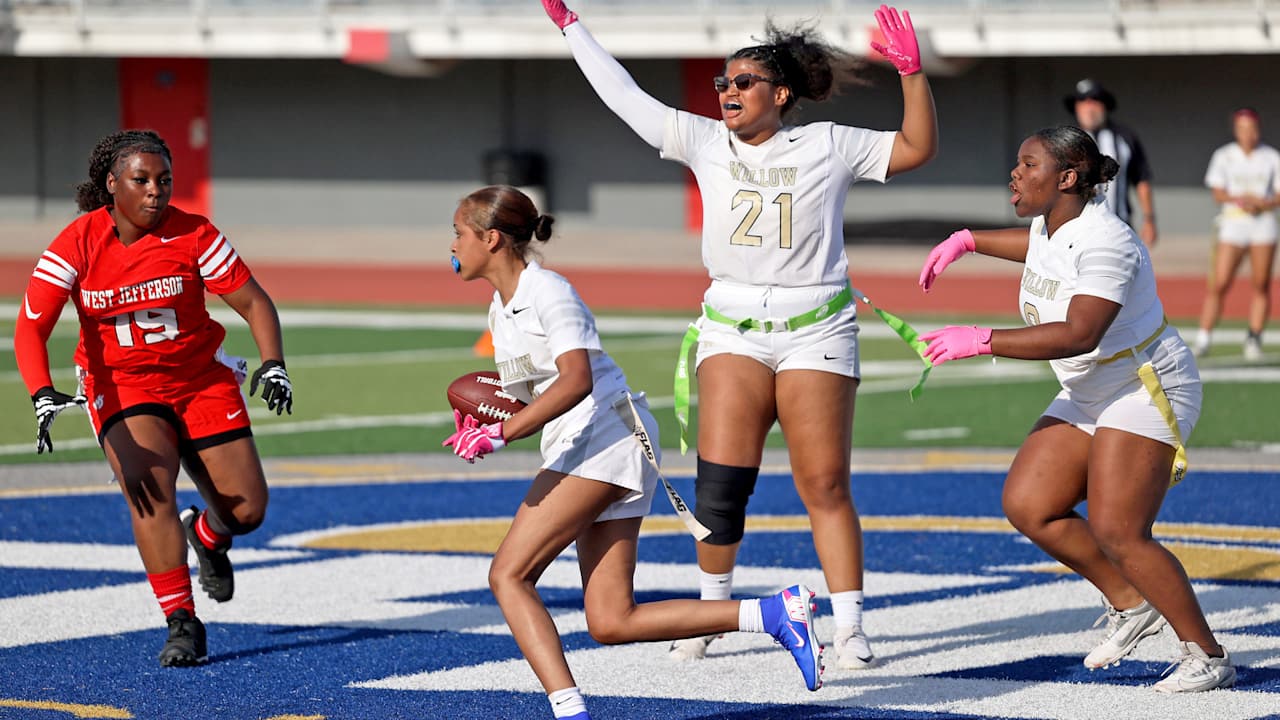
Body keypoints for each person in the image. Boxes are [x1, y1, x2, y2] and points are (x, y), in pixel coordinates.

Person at [538, 0, 937, 669]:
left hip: (816, 327)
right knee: (720, 487)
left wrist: (912, 74)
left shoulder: (829, 143)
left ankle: (849, 626)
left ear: (781, 94)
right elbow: (624, 98)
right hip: (733, 328)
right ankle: (711, 614)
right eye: (723, 82)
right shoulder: (702, 141)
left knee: (825, 484)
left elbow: (917, 147)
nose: (728, 91)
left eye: (743, 82)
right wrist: (572, 28)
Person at [443, 185, 823, 720]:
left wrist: (505, 435)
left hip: (605, 437)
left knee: (508, 575)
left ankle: (569, 710)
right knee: (610, 619)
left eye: (458, 233)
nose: (452, 245)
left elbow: (575, 380)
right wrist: (480, 418)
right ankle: (771, 614)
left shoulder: (548, 290)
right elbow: (522, 394)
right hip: (593, 441)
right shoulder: (499, 311)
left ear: (491, 238)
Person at [916, 125, 1235, 693]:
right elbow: (1035, 248)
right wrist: (967, 240)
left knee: (1120, 530)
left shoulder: (1108, 240)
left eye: (1028, 164)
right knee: (1030, 504)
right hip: (1093, 388)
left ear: (1067, 178)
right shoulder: (1051, 223)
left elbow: (1080, 333)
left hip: (1144, 385)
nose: (1015, 172)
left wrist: (983, 339)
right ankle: (1132, 601)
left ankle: (1206, 654)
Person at [13, 130, 293, 667]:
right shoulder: (77, 242)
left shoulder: (195, 234)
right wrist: (41, 392)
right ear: (111, 183)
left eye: (164, 180)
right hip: (123, 384)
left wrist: (273, 362)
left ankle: (207, 534)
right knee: (148, 487)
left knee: (248, 511)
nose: (155, 192)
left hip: (199, 380)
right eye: (141, 180)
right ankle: (182, 620)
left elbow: (254, 302)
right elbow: (31, 327)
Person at [1194, 107, 1279, 361]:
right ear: (1235, 130)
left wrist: (1262, 203)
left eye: (1252, 128)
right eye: (1242, 128)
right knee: (1219, 283)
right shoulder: (1224, 156)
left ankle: (1254, 337)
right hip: (1233, 225)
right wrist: (1240, 199)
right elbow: (1218, 192)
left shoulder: (1271, 157)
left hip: (1262, 225)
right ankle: (1204, 337)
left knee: (1261, 283)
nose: (1248, 134)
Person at [1065, 78, 1159, 247]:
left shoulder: (1124, 137)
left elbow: (1141, 179)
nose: (1089, 107)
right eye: (1083, 101)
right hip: (1076, 226)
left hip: (1119, 223)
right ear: (1076, 107)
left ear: (1105, 106)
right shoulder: (1066, 138)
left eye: (1095, 100)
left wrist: (1149, 219)